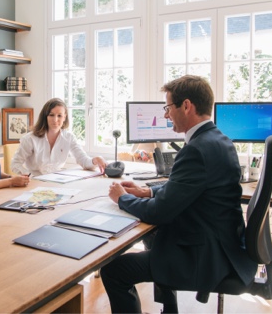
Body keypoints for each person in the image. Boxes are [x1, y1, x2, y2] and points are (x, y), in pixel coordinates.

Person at [100, 75, 257, 314]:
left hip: (206, 256)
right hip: (224, 244)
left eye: (168, 107)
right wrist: (148, 190)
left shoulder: (197, 149)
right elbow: (186, 188)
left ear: (186, 106)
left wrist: (122, 197)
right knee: (153, 239)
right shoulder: (219, 140)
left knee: (114, 270)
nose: (165, 115)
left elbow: (159, 212)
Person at [11, 98, 107, 175]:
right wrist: (29, 176)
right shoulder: (30, 139)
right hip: (34, 182)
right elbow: (15, 164)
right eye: (51, 115)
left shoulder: (69, 137)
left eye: (59, 116)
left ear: (65, 117)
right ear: (45, 116)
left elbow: (84, 161)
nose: (55, 120)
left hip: (57, 182)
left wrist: (95, 160)